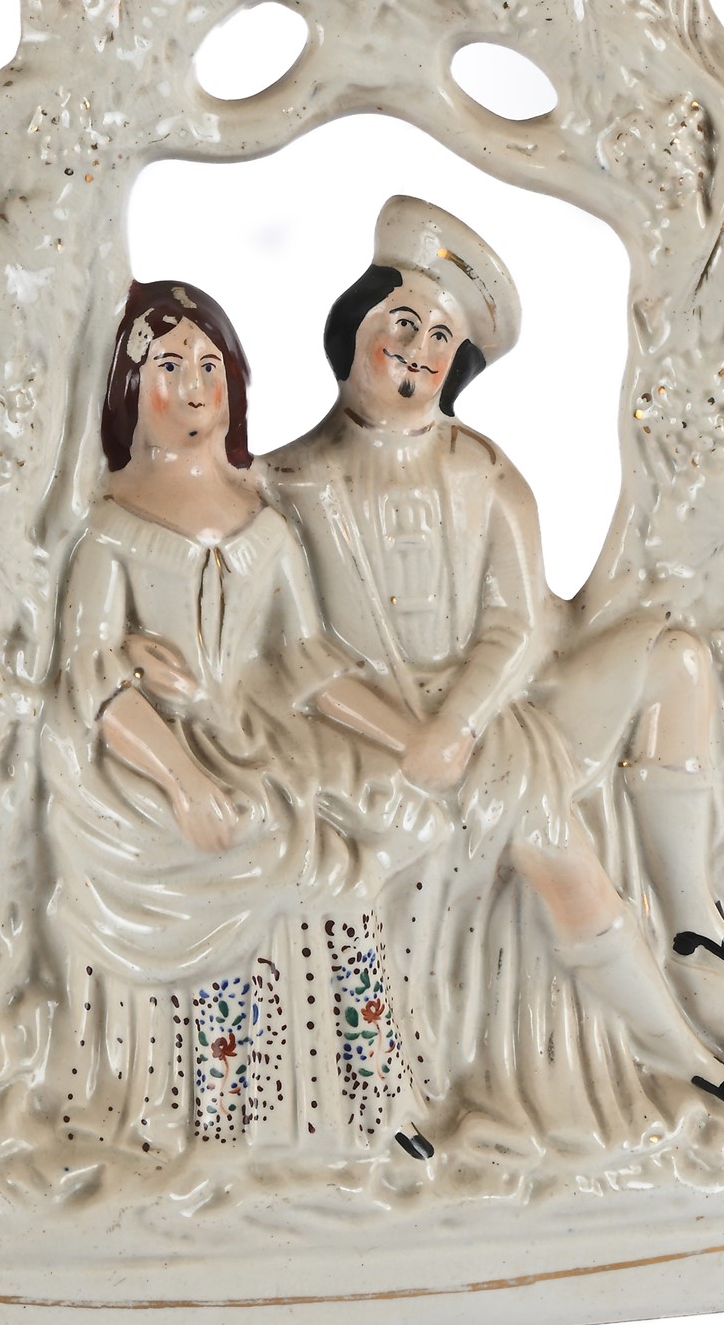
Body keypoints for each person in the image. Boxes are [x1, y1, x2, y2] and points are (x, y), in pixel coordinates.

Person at [264, 196, 724, 1137]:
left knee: (674, 657)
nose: (416, 351)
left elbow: (515, 627)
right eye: (401, 322)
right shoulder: (286, 484)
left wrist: (458, 722)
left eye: (440, 338)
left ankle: (692, 910)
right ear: (354, 326)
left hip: (490, 706)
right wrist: (414, 734)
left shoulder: (483, 473)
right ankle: (675, 1055)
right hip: (366, 727)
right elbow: (294, 653)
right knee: (548, 846)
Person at [41, 279, 437, 1164]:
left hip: (257, 739)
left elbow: (309, 660)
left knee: (347, 876)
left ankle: (378, 1100)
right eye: (167, 366)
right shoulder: (110, 529)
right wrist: (183, 782)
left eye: (208, 365)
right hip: (153, 758)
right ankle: (222, 1119)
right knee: (237, 872)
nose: (192, 388)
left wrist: (403, 737)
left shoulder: (262, 519)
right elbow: (94, 682)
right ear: (128, 389)